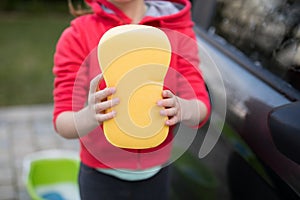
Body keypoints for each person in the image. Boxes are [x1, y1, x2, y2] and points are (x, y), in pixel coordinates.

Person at [53, 0, 211, 199]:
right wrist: (90, 115)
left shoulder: (177, 29)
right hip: (99, 179)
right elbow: (62, 122)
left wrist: (183, 108)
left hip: (157, 175)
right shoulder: (78, 35)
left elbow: (201, 107)